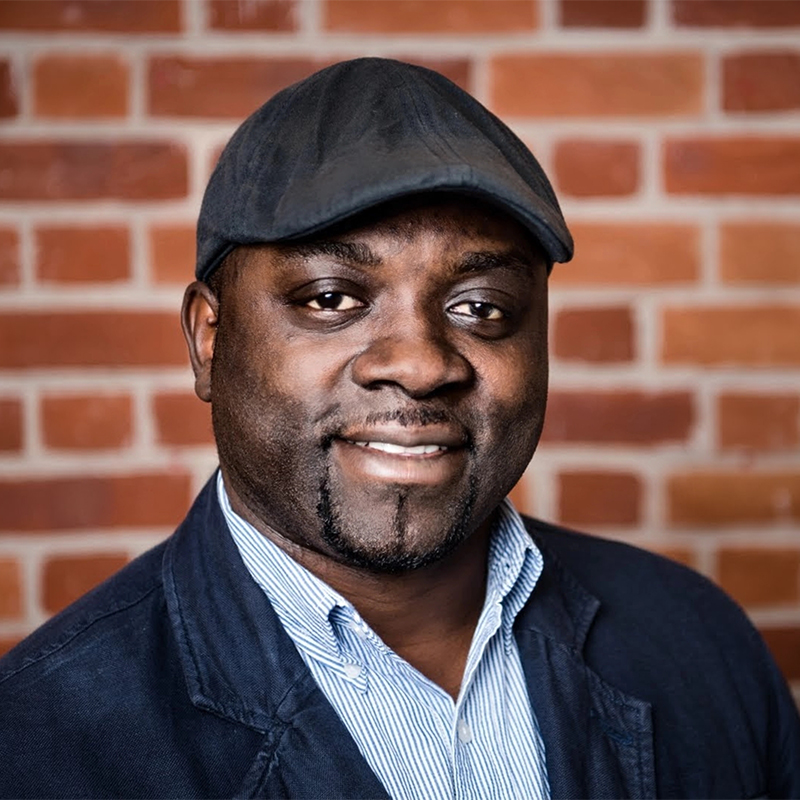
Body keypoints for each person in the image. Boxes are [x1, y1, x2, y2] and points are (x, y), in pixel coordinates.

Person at [0, 58, 797, 800]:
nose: (420, 365)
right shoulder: (40, 739)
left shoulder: (696, 641)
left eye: (481, 307)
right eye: (330, 299)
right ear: (211, 340)